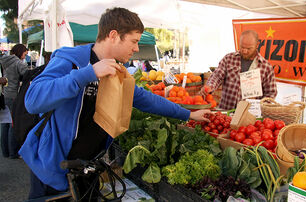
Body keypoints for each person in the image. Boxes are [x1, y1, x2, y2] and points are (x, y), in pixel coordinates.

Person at [20, 7, 211, 200]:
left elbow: (145, 99)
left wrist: (188, 114)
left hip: (86, 169)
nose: (137, 48)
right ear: (113, 35)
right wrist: (88, 74)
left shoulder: (117, 70)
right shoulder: (71, 60)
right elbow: (33, 100)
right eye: (134, 41)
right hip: (53, 169)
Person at [200, 30, 277, 110]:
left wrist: (261, 107)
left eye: (249, 48)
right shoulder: (229, 59)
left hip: (249, 116)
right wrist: (210, 86)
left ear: (257, 45)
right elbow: (217, 76)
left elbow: (271, 93)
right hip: (226, 112)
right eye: (242, 47)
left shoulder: (266, 67)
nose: (244, 51)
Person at [0, 44, 29, 159]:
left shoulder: (4, 60)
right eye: (24, 54)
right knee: (13, 124)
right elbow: (26, 73)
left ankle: (5, 152)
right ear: (20, 51)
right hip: (12, 96)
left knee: (5, 124)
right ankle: (13, 152)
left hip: (3, 95)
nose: (24, 57)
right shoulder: (17, 62)